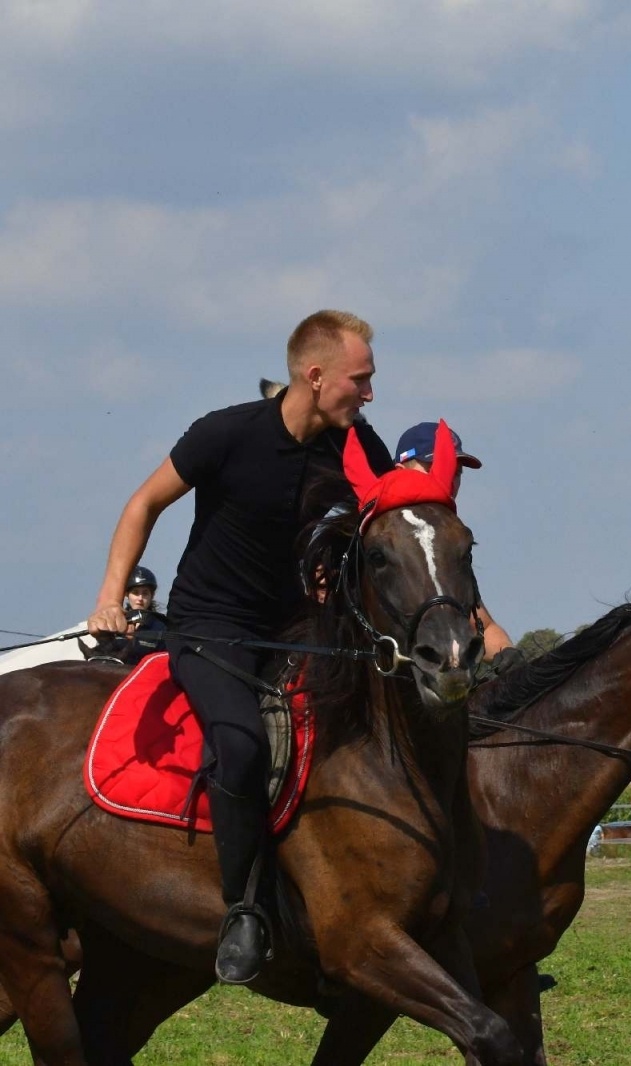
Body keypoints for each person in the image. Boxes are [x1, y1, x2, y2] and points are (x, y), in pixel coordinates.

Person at [87, 309, 392, 984]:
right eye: (360, 380)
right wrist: (110, 596)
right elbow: (143, 505)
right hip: (210, 629)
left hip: (300, 634)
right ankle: (244, 910)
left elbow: (393, 532)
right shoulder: (224, 434)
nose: (369, 394)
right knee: (243, 743)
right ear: (315, 377)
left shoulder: (360, 450)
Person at [391, 422, 512, 658]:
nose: (448, 478)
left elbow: (483, 627)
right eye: (435, 466)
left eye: (455, 472)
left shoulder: (447, 545)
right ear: (399, 471)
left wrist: (510, 657)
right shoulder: (374, 535)